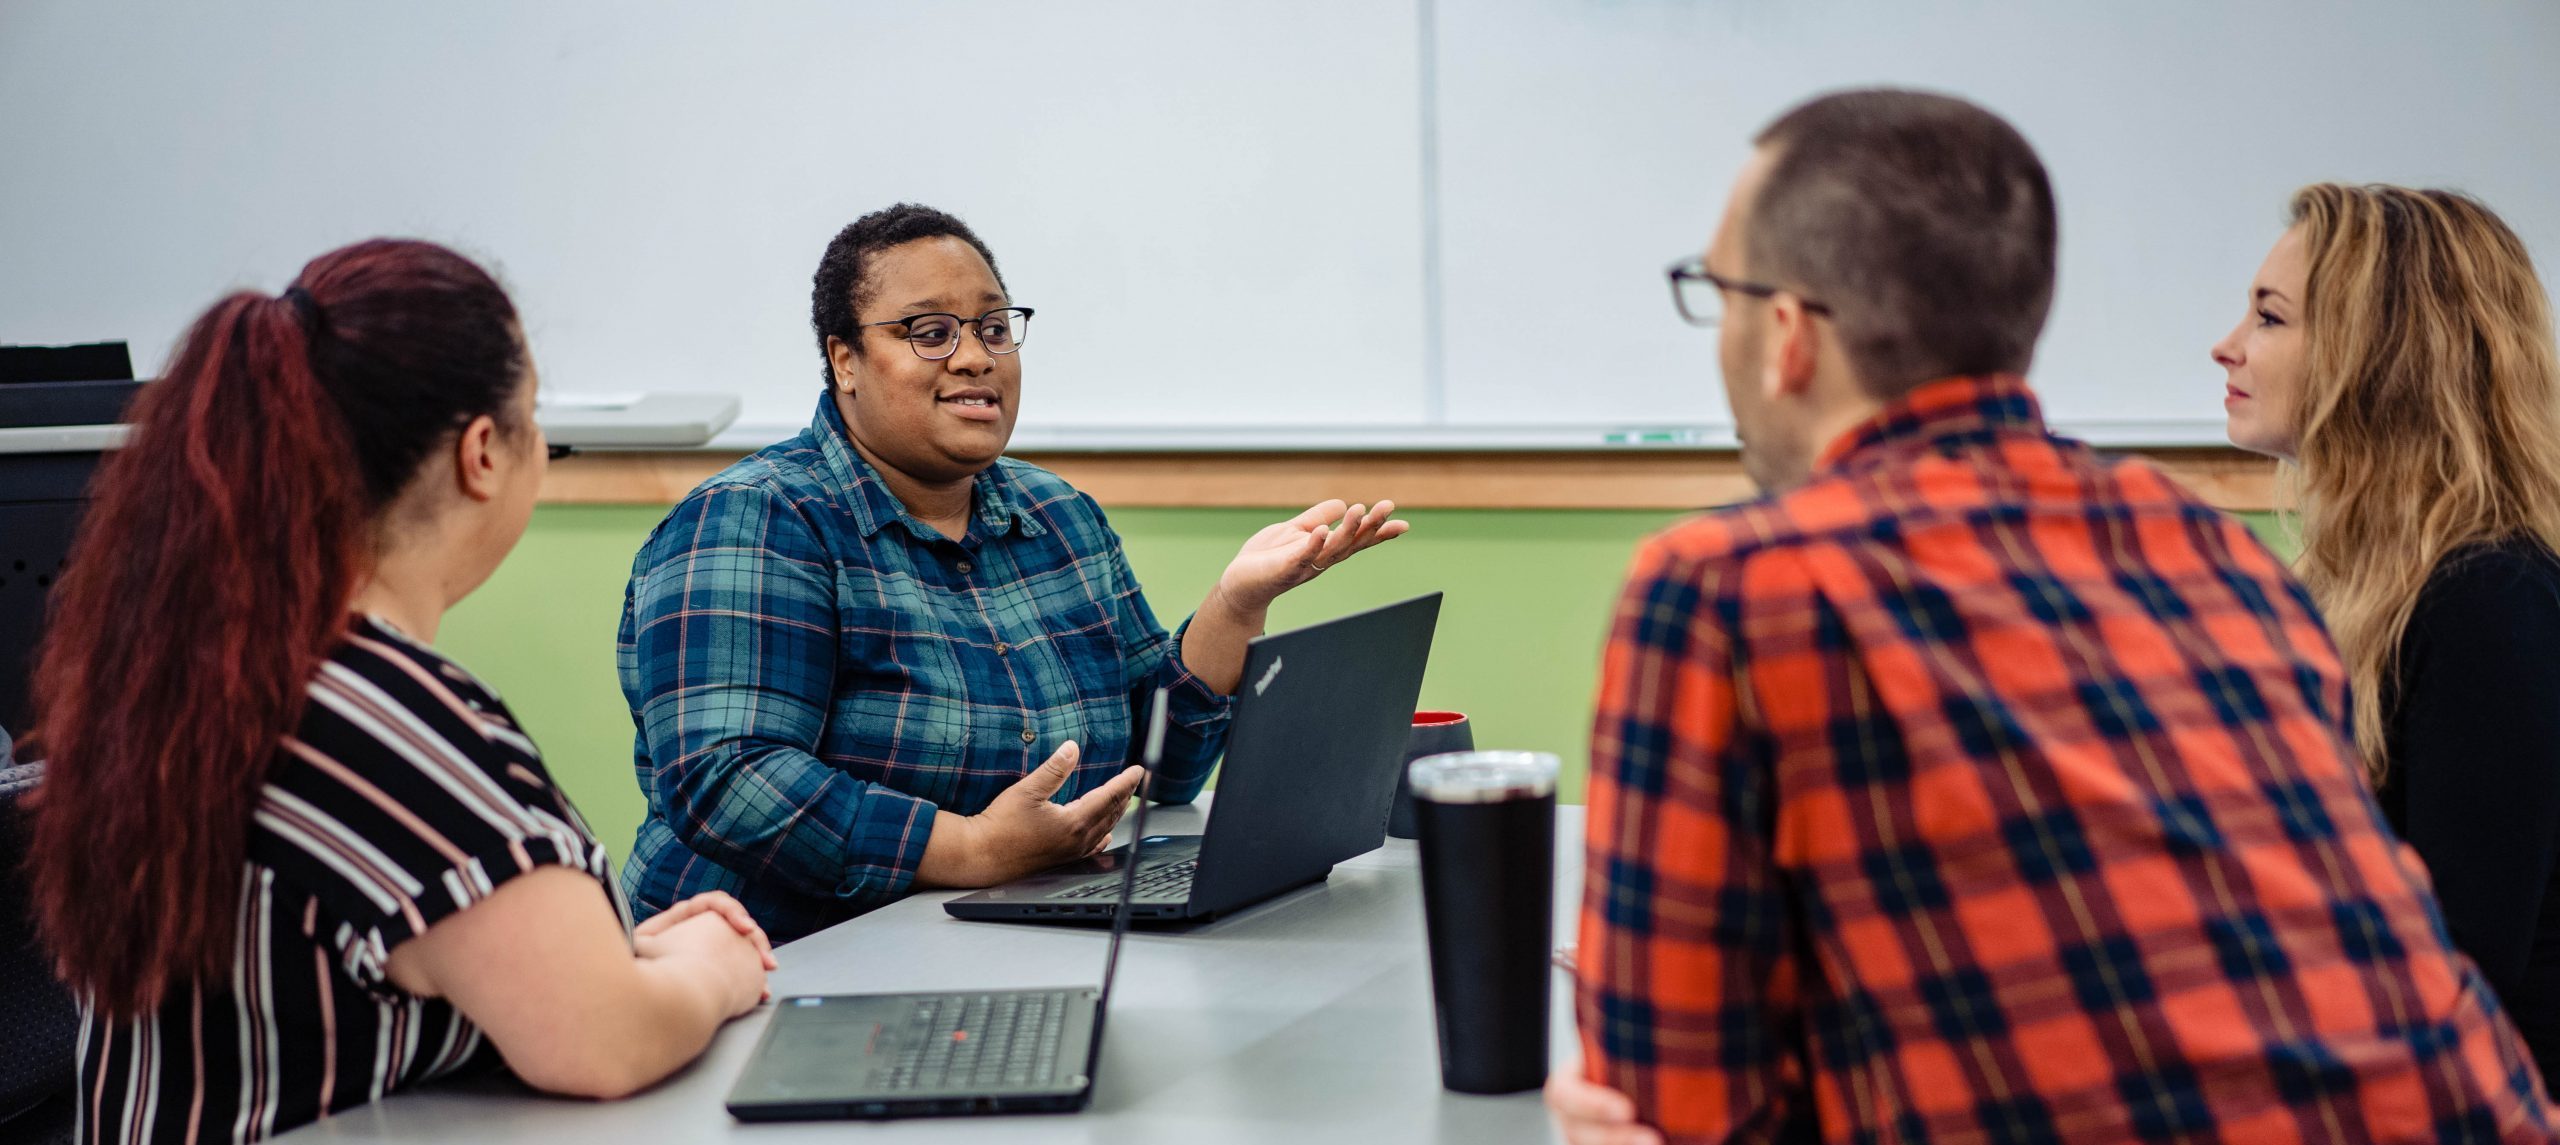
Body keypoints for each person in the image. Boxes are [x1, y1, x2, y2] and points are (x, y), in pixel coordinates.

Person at [1549, 91, 2553, 1143]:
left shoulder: (1724, 589)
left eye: (1718, 293)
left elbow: (1678, 1108)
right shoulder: (2205, 554)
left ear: (1787, 336)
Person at [22, 240, 775, 1143]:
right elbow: (604, 1042)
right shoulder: (380, 720)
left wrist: (621, 951)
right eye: (536, 422)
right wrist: (713, 968)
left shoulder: (214, 672)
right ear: (483, 454)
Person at [618, 203, 1407, 942]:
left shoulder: (1058, 514)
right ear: (845, 360)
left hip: (1001, 934)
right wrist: (969, 849)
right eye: (929, 332)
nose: (974, 356)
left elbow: (1158, 767)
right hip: (776, 960)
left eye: (994, 327)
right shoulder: (758, 519)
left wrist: (1235, 606)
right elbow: (728, 778)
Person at [2214, 183, 2560, 1086]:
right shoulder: (2370, 592)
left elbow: (2459, 966)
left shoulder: (2490, 598)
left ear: (2379, 353)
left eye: (2269, 317)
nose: (2228, 345)